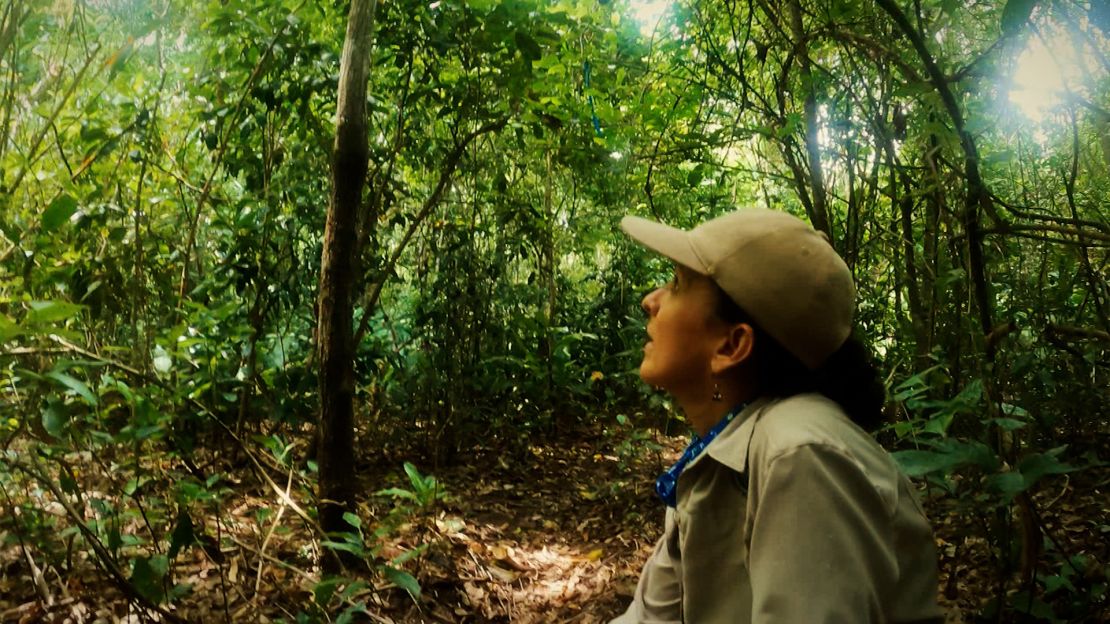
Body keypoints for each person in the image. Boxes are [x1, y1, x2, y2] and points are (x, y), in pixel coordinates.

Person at [611, 209, 944, 623]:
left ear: (731, 346)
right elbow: (652, 617)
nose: (652, 300)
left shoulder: (801, 453)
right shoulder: (719, 453)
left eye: (678, 284)